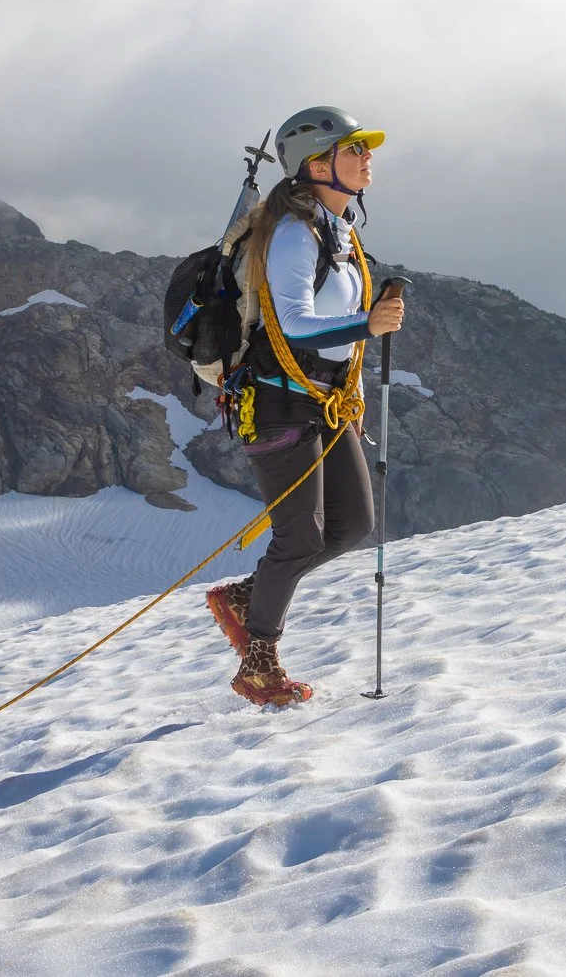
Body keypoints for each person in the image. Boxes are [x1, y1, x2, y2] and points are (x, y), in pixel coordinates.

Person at [205, 106, 407, 706]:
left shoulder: (340, 233)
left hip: (324, 402)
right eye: (355, 149)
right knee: (299, 537)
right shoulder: (295, 232)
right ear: (318, 165)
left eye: (365, 150)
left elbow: (335, 335)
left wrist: (357, 388)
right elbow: (292, 324)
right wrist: (368, 324)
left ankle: (245, 597)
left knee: (351, 525)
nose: (368, 158)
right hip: (275, 404)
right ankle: (259, 665)